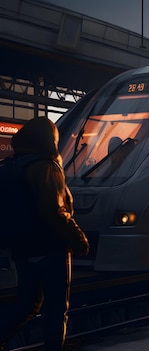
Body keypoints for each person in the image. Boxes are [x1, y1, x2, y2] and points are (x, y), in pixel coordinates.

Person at [0, 117, 89, 351]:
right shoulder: (47, 166)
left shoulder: (12, 165)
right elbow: (55, 210)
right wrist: (78, 238)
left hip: (22, 248)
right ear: (50, 140)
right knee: (56, 309)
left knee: (28, 305)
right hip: (51, 247)